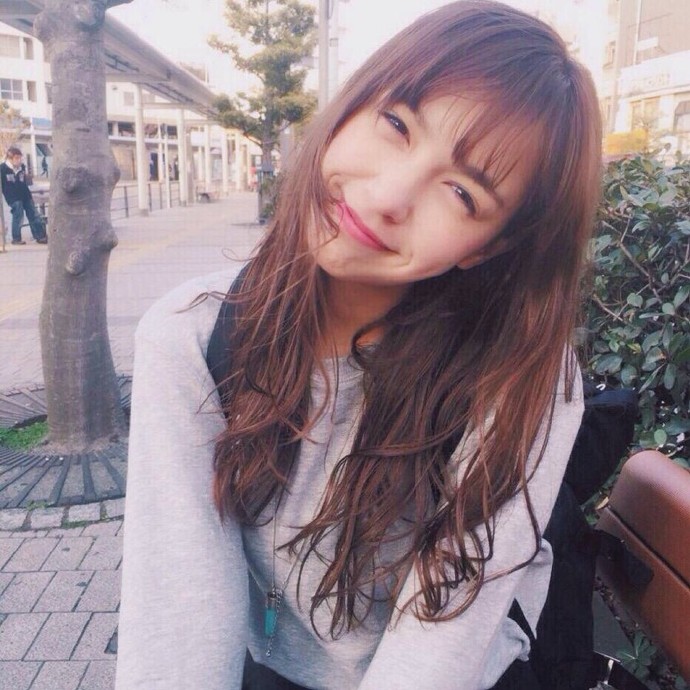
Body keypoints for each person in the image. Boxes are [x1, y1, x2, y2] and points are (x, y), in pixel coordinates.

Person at [116, 2, 602, 689]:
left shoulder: (520, 377)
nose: (387, 197)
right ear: (353, 102)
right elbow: (182, 613)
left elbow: (440, 644)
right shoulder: (192, 337)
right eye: (397, 124)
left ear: (487, 248)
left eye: (462, 193)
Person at [0, 146, 48, 245]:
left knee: (33, 214)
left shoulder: (21, 167)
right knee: (18, 215)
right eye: (16, 158)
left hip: (25, 194)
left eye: (20, 158)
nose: (19, 160)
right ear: (10, 158)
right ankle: (16, 238)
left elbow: (24, 180)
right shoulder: (3, 169)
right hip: (12, 196)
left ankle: (40, 236)